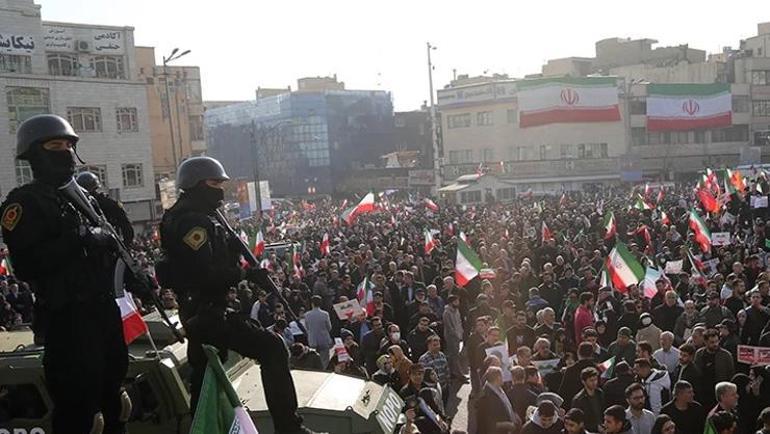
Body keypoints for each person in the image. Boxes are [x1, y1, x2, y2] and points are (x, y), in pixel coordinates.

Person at [158, 156, 310, 434]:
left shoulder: (197, 214)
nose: (220, 189)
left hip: (200, 310)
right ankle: (289, 428)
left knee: (204, 380)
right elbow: (204, 274)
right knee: (273, 348)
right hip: (205, 311)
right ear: (195, 184)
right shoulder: (192, 221)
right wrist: (246, 275)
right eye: (214, 183)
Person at [0, 114, 130, 433]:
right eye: (55, 145)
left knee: (115, 403)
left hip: (102, 310)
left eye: (70, 145)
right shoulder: (24, 203)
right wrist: (80, 238)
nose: (66, 152)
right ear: (34, 152)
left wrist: (101, 213)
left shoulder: (82, 199)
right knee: (80, 412)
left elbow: (120, 237)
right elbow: (28, 264)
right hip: (68, 315)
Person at [75, 170, 134, 245]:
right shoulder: (110, 203)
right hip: (108, 245)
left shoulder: (77, 205)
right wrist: (126, 244)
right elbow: (126, 227)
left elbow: (126, 226)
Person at [695, 329, 735, 409]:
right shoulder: (699, 354)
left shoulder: (726, 356)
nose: (715, 344)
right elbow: (696, 373)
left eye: (717, 341)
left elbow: (731, 375)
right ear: (705, 342)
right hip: (703, 394)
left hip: (719, 394)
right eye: (712, 342)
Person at [478, 366, 523, 434]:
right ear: (498, 378)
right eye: (502, 376)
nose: (504, 378)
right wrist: (507, 425)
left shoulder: (498, 389)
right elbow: (488, 421)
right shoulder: (486, 396)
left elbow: (506, 404)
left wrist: (514, 414)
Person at [570, 367, 604, 432]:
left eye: (595, 379)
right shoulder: (578, 399)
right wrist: (595, 427)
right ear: (583, 381)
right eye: (591, 380)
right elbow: (577, 421)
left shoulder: (600, 393)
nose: (594, 382)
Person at [442, 294, 466, 382]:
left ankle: (452, 373)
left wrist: (461, 332)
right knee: (454, 356)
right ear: (451, 302)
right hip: (451, 337)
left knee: (453, 356)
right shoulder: (447, 313)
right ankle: (460, 374)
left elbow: (459, 322)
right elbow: (449, 326)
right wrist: (456, 335)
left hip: (458, 335)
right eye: (456, 301)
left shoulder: (457, 310)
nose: (458, 303)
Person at [305, 295, 333, 368]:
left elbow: (307, 327)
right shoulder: (325, 314)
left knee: (313, 358)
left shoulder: (307, 315)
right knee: (324, 359)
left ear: (312, 303)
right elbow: (329, 327)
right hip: (324, 338)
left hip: (312, 339)